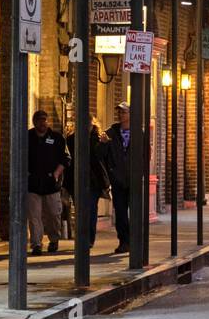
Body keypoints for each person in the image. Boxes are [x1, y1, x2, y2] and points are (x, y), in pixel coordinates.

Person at [26, 111, 69, 255]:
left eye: (44, 120)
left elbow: (65, 158)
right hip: (32, 183)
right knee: (34, 216)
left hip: (51, 183)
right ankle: (36, 244)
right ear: (34, 121)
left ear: (48, 121)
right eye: (38, 120)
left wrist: (57, 173)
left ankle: (54, 239)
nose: (42, 123)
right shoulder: (27, 137)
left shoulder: (56, 138)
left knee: (53, 214)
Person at [65, 117, 112, 245]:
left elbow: (103, 160)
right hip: (76, 181)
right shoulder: (71, 140)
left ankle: (89, 239)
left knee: (91, 209)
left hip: (94, 182)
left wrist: (106, 182)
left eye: (89, 125)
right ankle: (81, 237)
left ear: (93, 125)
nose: (87, 127)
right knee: (80, 210)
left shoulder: (98, 140)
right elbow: (68, 162)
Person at [105, 101, 133, 254]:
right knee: (121, 212)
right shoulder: (111, 132)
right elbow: (100, 154)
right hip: (117, 180)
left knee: (134, 212)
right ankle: (124, 241)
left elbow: (144, 156)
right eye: (119, 112)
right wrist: (102, 144)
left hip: (133, 179)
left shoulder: (138, 132)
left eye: (124, 112)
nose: (121, 115)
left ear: (130, 115)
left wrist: (139, 174)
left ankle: (133, 240)